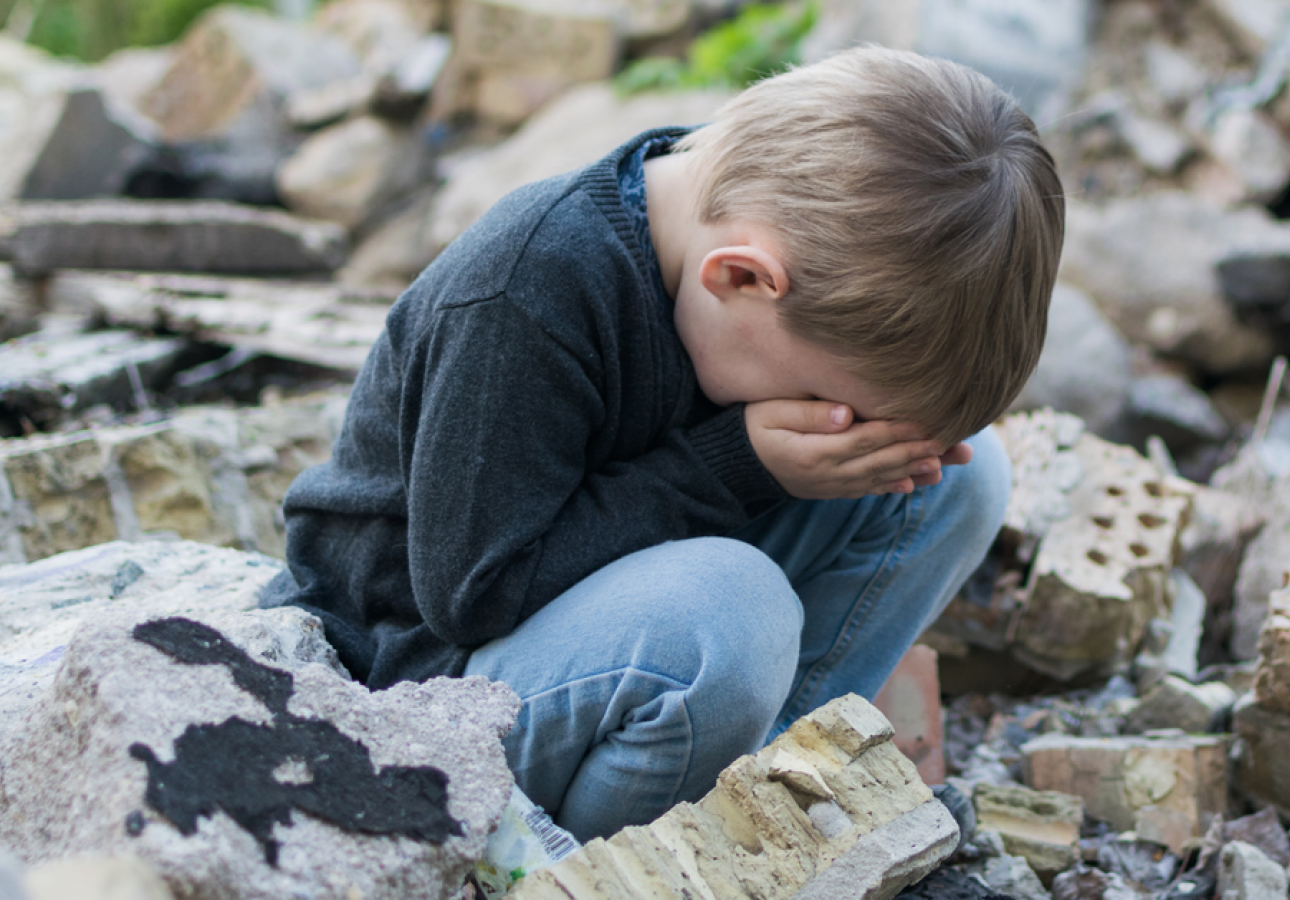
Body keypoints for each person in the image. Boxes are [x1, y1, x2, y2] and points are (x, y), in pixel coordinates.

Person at [260, 46, 1065, 843]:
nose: (836, 426)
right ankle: (604, 861)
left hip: (587, 631)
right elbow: (476, 595)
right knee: (730, 613)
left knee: (958, 478)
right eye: (832, 404)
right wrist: (735, 465)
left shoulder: (746, 220)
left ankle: (773, 786)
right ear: (743, 279)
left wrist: (803, 457)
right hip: (417, 685)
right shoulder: (526, 291)